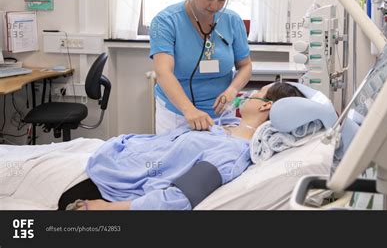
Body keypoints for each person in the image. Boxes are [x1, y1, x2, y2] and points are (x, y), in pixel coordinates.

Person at [57, 82, 306, 210]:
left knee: (62, 202)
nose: (248, 94)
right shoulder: (230, 123)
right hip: (118, 155)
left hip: (115, 184)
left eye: (257, 93)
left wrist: (107, 209)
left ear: (265, 106)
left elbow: (177, 198)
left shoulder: (230, 155)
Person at [149, 0, 252, 134]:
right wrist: (190, 111)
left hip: (221, 115)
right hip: (178, 114)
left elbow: (245, 66)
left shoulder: (232, 21)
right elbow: (163, 72)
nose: (215, 6)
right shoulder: (165, 21)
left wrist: (232, 90)